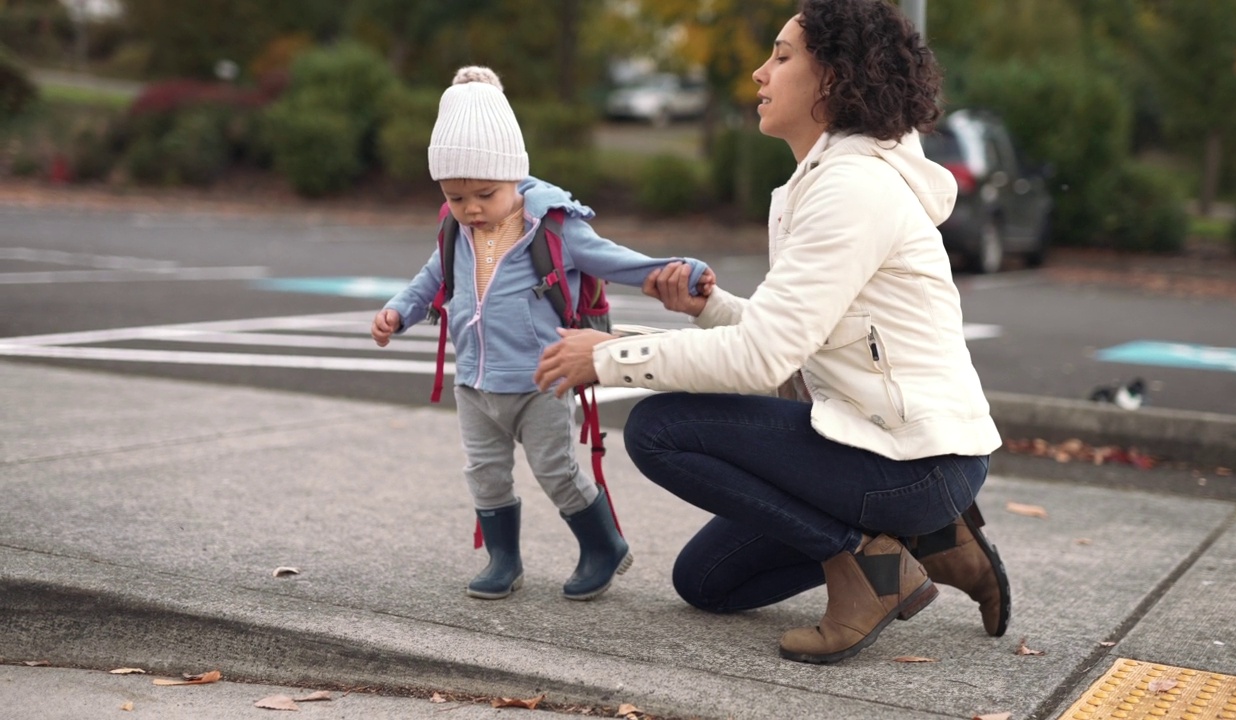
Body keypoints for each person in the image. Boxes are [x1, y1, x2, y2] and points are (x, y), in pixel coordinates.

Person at [534, 0, 1009, 664]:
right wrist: (708, 309)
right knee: (708, 584)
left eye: (782, 57)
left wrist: (613, 357)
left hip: (915, 461)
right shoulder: (816, 184)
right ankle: (933, 540)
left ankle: (870, 568)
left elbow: (762, 360)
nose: (760, 73)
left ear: (835, 78)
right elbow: (790, 343)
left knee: (659, 429)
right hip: (883, 446)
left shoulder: (853, 189)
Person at [372, 66, 715, 603]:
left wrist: (681, 271)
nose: (472, 210)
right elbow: (431, 278)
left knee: (556, 469)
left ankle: (603, 545)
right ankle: (503, 560)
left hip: (543, 377)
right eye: (456, 197)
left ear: (515, 175)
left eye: (485, 194)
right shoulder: (454, 230)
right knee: (485, 475)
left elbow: (617, 261)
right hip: (476, 381)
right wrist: (398, 312)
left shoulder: (554, 225)